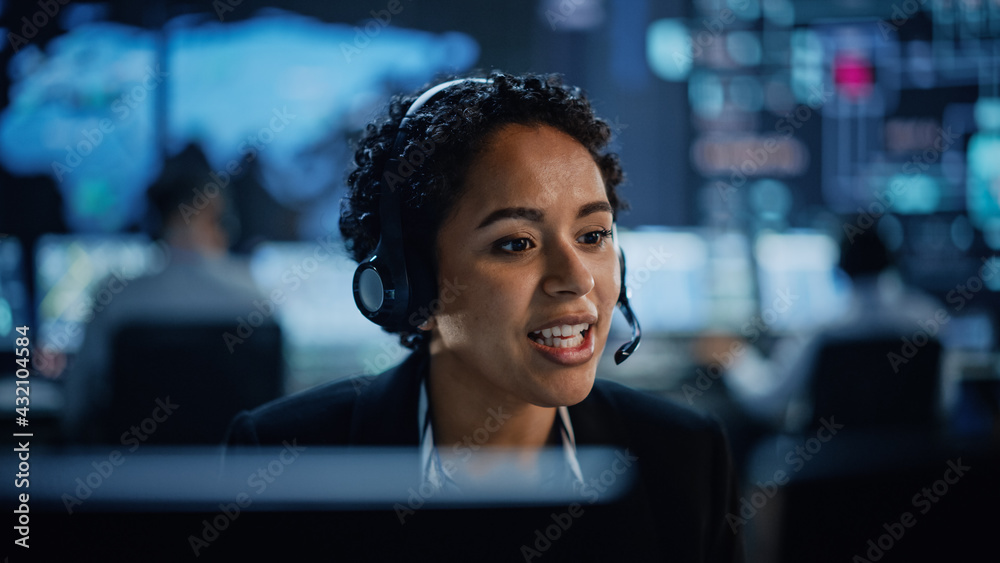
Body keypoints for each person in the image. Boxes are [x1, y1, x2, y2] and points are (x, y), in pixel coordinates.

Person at [225, 72, 744, 561]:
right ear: (413, 284)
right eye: (516, 243)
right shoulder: (285, 461)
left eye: (593, 236)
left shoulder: (685, 458)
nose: (578, 278)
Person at [62, 145, 266, 442]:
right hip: (231, 479)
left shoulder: (115, 299)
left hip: (129, 478)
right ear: (210, 212)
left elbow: (76, 405)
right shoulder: (253, 298)